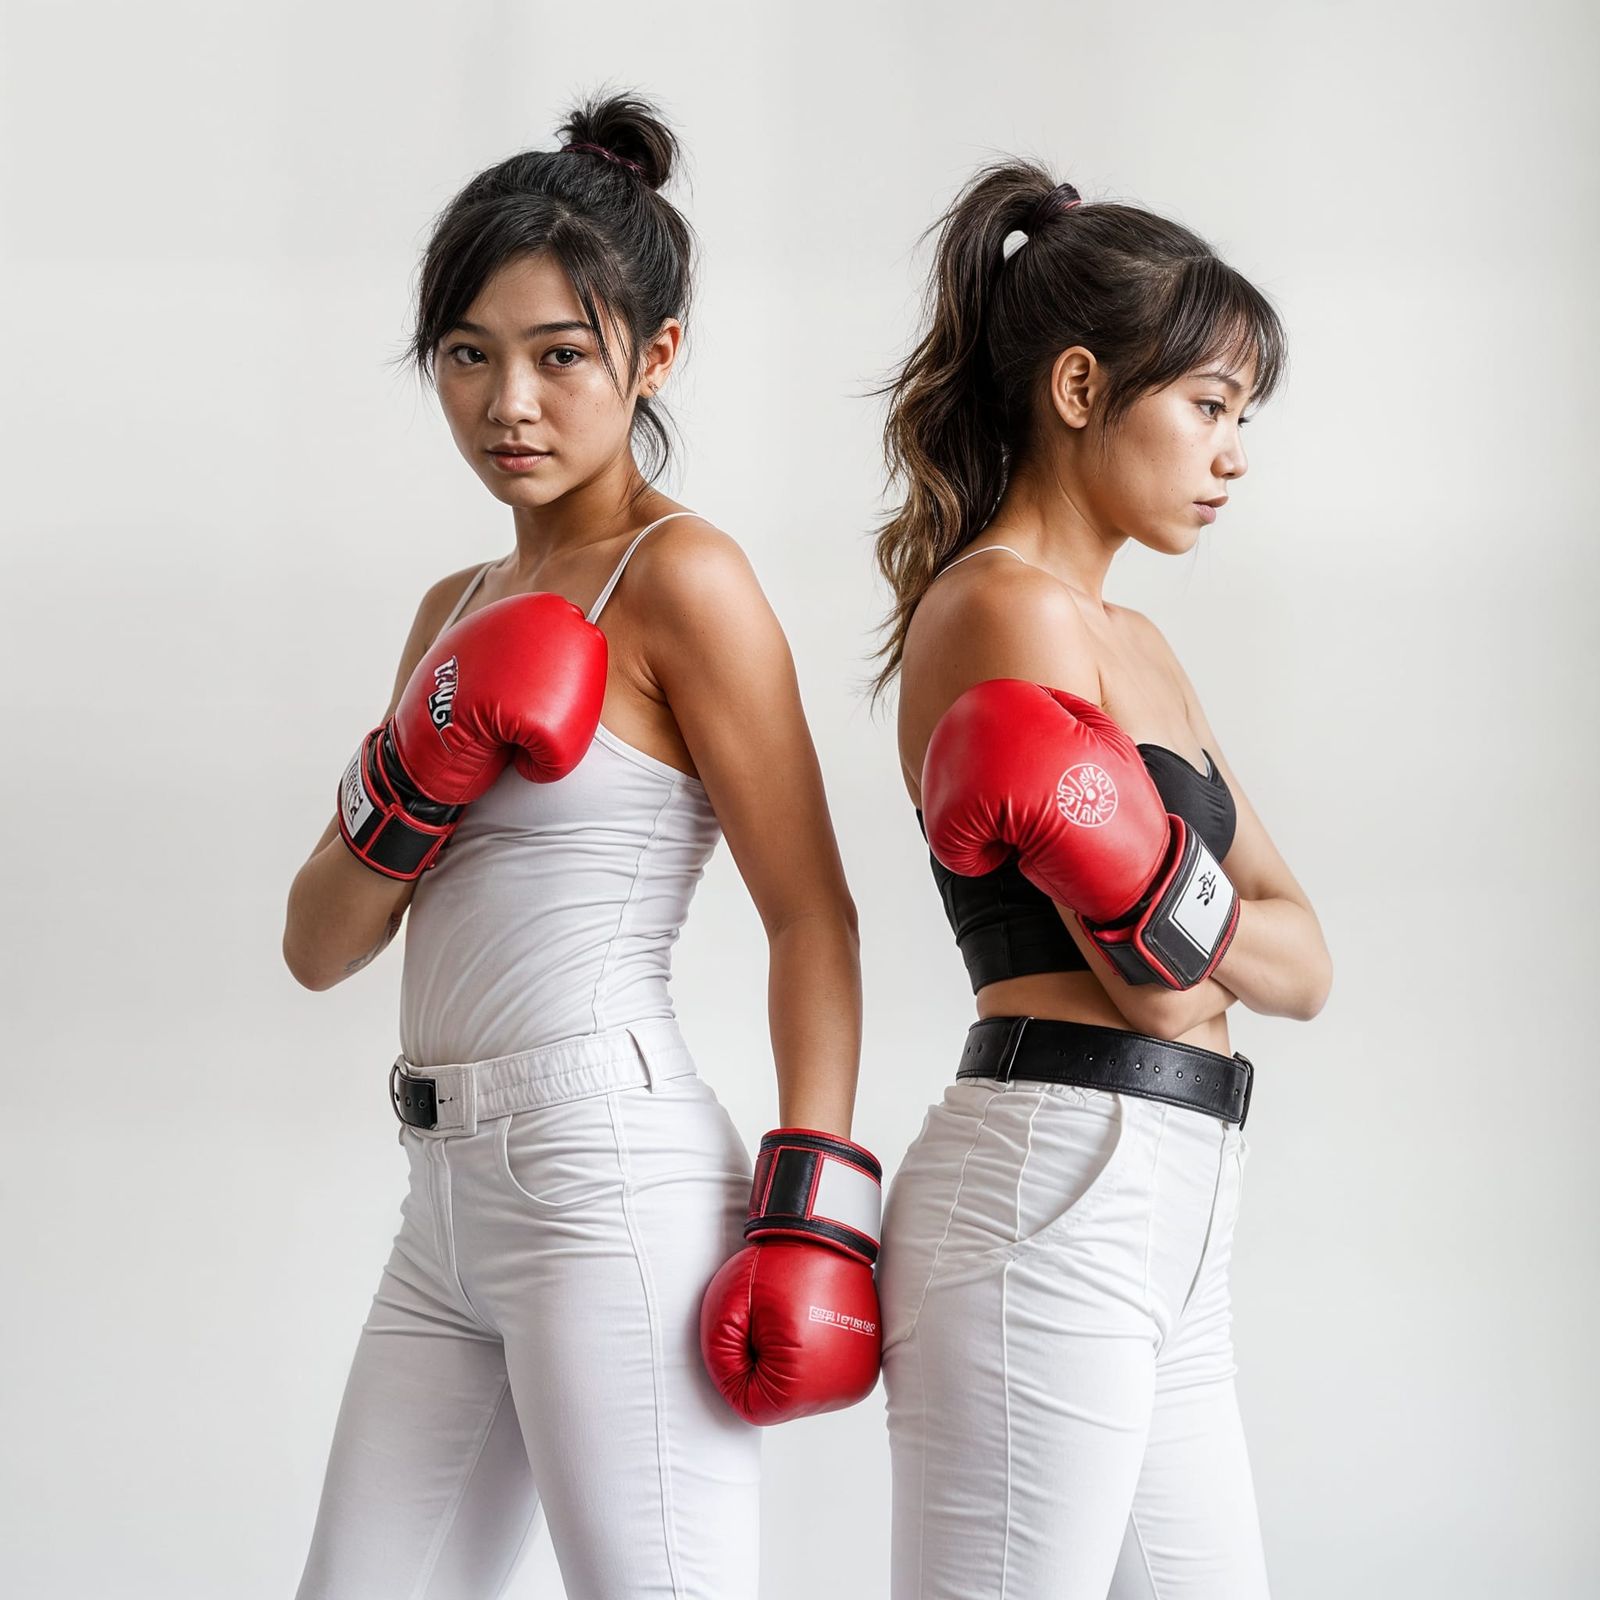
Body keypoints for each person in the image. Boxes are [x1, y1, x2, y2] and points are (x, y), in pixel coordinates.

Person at [283, 91, 879, 1600]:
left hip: (603, 1178)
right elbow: (321, 943)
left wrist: (817, 1212)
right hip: (441, 1201)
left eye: (561, 356)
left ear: (654, 355)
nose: (510, 405)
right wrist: (412, 770)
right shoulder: (453, 609)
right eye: (469, 355)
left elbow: (813, 914)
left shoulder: (685, 581)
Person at [870, 160, 1333, 1598]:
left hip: (1181, 1200)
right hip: (1054, 1180)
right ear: (1080, 389)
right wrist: (1203, 934)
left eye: (1243, 418)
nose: (1234, 454)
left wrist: (1190, 922)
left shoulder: (1135, 646)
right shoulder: (999, 608)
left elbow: (1310, 963)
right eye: (1208, 406)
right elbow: (1145, 984)